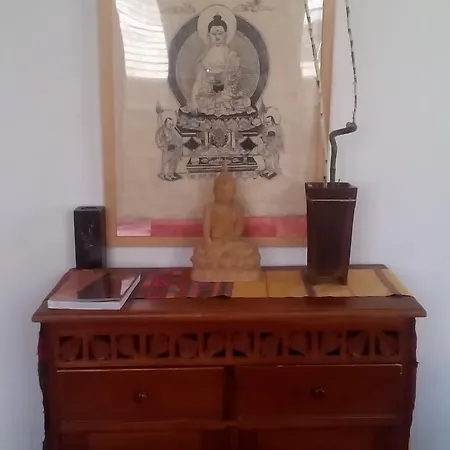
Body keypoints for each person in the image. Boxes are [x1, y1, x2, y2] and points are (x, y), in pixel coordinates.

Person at [191, 162, 260, 280]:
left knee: (250, 251)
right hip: (215, 244)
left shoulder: (238, 208)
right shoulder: (210, 208)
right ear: (215, 191)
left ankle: (221, 263)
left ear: (234, 191)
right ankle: (221, 263)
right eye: (221, 191)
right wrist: (208, 244)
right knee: (200, 254)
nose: (224, 194)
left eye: (228, 191)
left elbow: (238, 231)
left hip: (232, 244)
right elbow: (206, 229)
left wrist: (229, 243)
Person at [190, 14, 253, 116]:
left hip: (227, 96)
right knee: (201, 102)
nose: (217, 37)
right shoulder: (204, 57)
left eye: (220, 33)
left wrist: (225, 88)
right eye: (214, 34)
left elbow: (234, 83)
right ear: (209, 35)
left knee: (242, 102)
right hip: (208, 96)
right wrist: (194, 101)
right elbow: (198, 81)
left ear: (226, 34)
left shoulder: (231, 55)